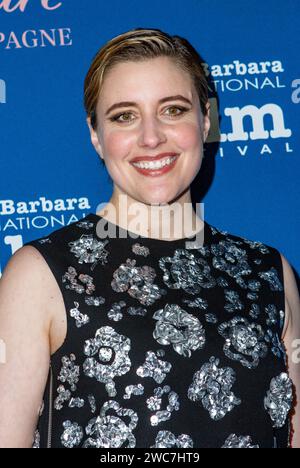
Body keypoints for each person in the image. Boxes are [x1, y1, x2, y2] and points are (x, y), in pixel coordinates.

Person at [0, 27, 299, 449]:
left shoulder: (269, 273)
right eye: (124, 115)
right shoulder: (42, 274)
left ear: (206, 119)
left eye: (173, 110)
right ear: (95, 135)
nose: (151, 137)